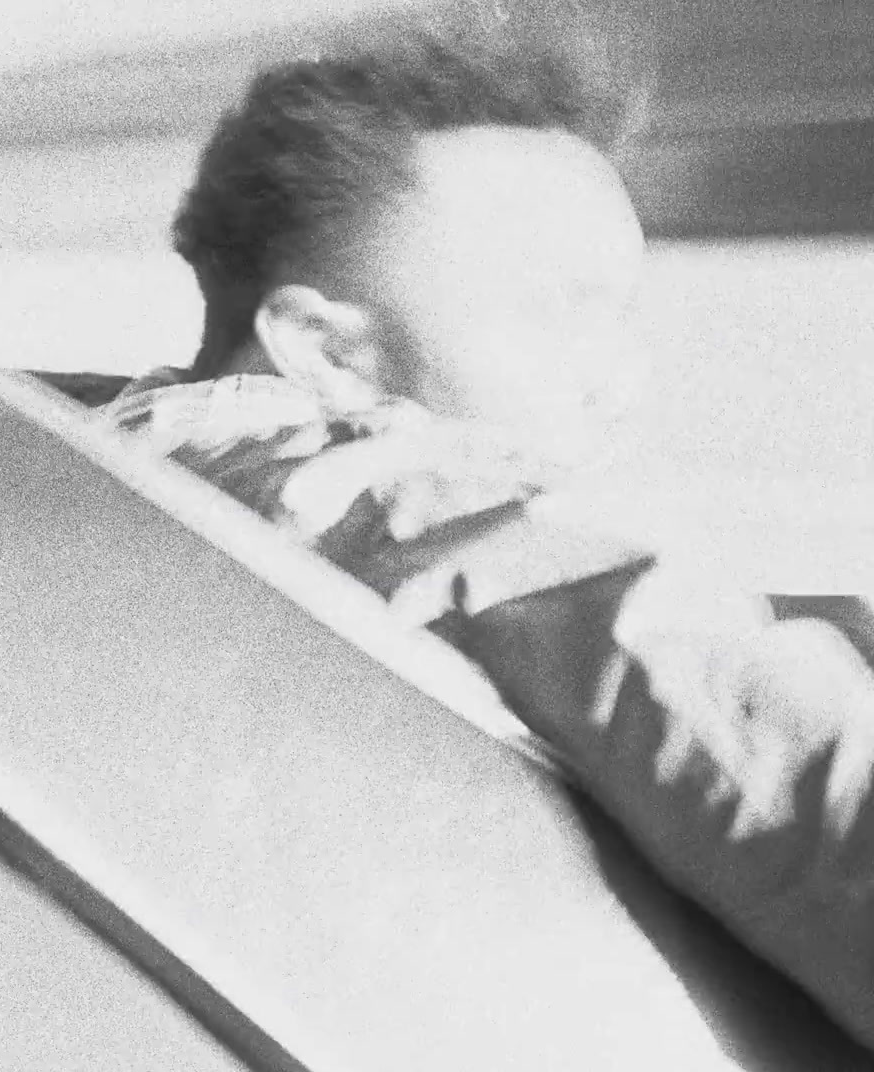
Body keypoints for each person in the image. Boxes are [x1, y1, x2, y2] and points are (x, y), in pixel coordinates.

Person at [103, 10, 874, 1055]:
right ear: (330, 353)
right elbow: (709, 696)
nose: (622, 381)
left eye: (625, 314)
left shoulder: (129, 454)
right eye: (560, 312)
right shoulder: (374, 495)